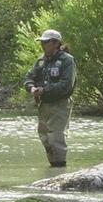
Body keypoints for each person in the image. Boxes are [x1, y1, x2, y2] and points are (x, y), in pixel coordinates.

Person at [24, 29, 76, 167]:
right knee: (45, 137)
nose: (42, 45)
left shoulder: (67, 60)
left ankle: (59, 167)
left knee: (56, 137)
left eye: (46, 42)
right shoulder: (41, 61)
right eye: (42, 42)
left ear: (56, 43)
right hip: (44, 104)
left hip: (60, 104)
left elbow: (66, 84)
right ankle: (53, 166)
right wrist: (32, 88)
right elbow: (29, 77)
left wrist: (44, 90)